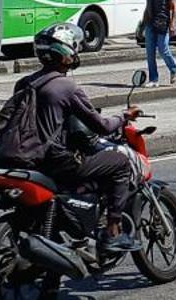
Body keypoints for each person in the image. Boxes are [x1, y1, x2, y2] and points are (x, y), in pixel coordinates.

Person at [16, 23, 142, 252]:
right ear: (65, 53)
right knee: (121, 164)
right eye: (73, 48)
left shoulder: (24, 84)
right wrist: (124, 117)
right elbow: (102, 126)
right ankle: (113, 231)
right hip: (56, 162)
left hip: (27, 159)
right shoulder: (67, 87)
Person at [140, 0, 176, 86]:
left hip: (163, 25)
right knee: (150, 53)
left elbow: (174, 9)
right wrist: (142, 26)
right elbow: (147, 9)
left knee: (163, 49)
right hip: (150, 25)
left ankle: (174, 69)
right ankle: (153, 79)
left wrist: (172, 25)